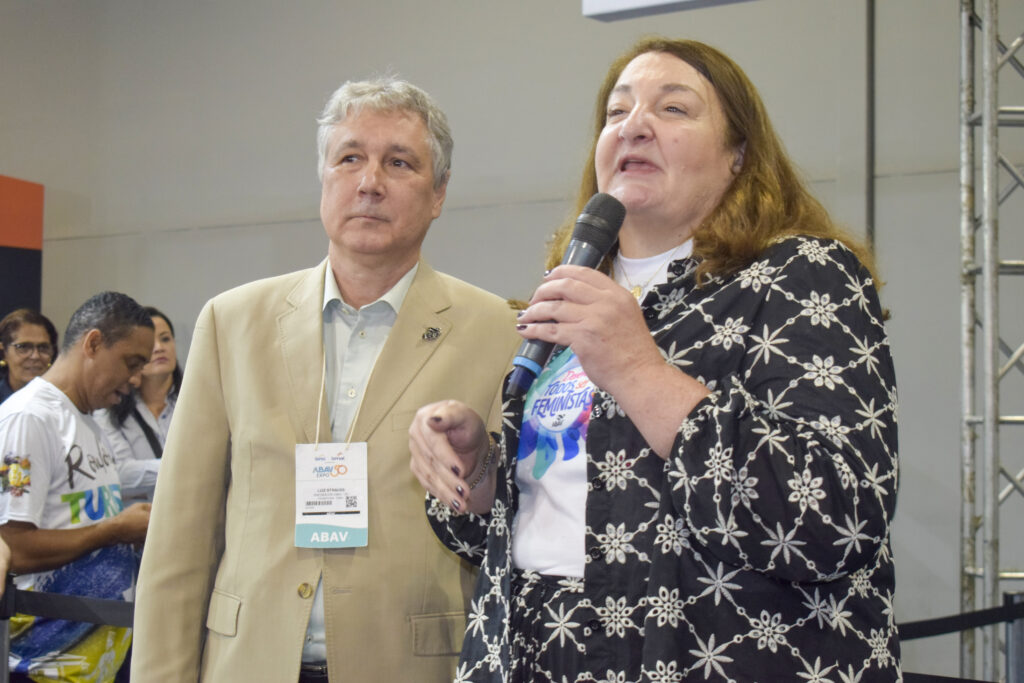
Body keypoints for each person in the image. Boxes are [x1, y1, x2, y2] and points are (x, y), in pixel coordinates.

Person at [410, 37, 900, 682]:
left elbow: (833, 515)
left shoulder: (799, 274)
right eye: (616, 113)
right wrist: (478, 478)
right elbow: (561, 513)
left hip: (707, 656)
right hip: (536, 650)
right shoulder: (577, 288)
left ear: (738, 156)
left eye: (674, 109)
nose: (634, 125)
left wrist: (638, 370)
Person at [131, 77, 519, 682]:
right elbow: (179, 536)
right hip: (246, 661)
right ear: (324, 178)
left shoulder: (500, 331)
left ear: (439, 193)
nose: (370, 182)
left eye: (399, 163)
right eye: (350, 158)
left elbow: (509, 523)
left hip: (413, 663)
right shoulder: (232, 323)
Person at [0, 292, 154, 682]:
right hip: (41, 665)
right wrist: (113, 530)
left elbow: (77, 521)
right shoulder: (27, 419)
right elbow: (13, 547)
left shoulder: (88, 421)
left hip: (96, 661)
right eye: (131, 363)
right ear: (93, 343)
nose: (135, 379)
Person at [95, 307, 181, 504]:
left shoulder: (196, 402)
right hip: (138, 528)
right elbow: (118, 475)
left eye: (166, 339)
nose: (160, 347)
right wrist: (183, 466)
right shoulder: (109, 408)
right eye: (152, 343)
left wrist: (143, 476)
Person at [0, 309, 59, 404]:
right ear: (3, 353)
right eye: (23, 347)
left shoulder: (61, 402)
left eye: (43, 347)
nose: (35, 356)